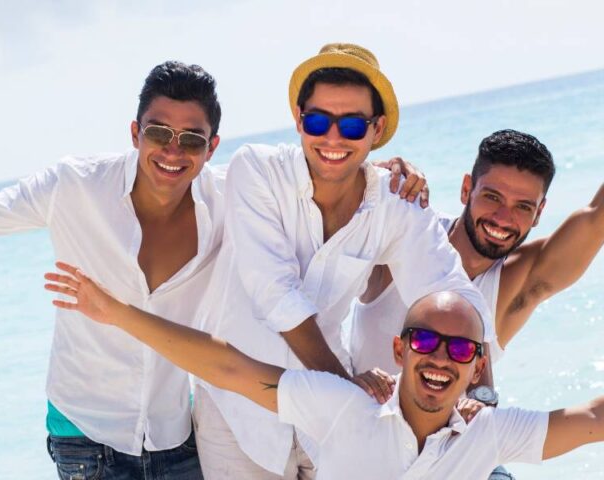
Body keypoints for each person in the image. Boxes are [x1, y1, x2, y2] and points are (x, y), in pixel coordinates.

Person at [0, 61, 225, 479]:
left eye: (191, 139)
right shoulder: (75, 186)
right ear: (135, 134)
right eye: (158, 133)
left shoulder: (228, 205)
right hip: (86, 439)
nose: (172, 151)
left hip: (177, 436)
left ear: (212, 148)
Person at [191, 42, 495, 479]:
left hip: (329, 415)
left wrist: (478, 394)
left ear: (377, 128)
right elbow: (274, 291)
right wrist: (341, 388)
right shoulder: (256, 170)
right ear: (299, 120)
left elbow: (449, 291)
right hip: (237, 408)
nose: (333, 139)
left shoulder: (397, 200)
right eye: (318, 120)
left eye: (352, 125)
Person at [44, 265, 604, 480]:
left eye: (459, 350)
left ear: (479, 364)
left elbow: (592, 417)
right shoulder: (345, 407)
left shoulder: (490, 432)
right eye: (427, 341)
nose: (440, 358)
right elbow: (229, 368)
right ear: (400, 348)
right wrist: (115, 313)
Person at [350, 130, 604, 404]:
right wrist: (373, 173)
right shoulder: (408, 234)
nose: (503, 219)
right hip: (342, 434)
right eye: (492, 197)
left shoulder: (515, 284)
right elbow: (330, 203)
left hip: (441, 446)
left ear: (539, 213)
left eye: (523, 207)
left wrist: (484, 403)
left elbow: (596, 218)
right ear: (466, 189)